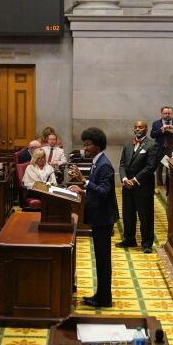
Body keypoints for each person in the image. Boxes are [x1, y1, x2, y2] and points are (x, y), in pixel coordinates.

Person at [67, 128, 118, 308]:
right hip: (100, 218)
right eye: (85, 144)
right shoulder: (97, 162)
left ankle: (104, 299)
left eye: (88, 144)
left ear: (97, 145)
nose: (85, 148)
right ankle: (102, 295)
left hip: (103, 219)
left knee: (103, 260)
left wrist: (85, 182)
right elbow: (97, 189)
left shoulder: (104, 164)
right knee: (101, 259)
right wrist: (84, 189)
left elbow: (104, 192)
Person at [117, 120, 158, 252]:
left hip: (143, 186)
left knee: (145, 215)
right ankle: (129, 239)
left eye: (140, 127)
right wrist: (124, 179)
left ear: (146, 129)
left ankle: (146, 244)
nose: (137, 129)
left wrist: (134, 180)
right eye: (136, 127)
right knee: (128, 214)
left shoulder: (152, 145)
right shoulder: (128, 144)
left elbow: (150, 167)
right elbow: (122, 164)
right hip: (127, 186)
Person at [151, 106, 173, 185]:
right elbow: (152, 135)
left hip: (171, 150)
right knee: (159, 168)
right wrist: (161, 130)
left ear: (172, 114)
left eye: (169, 113)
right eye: (165, 113)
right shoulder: (156, 123)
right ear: (162, 114)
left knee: (169, 169)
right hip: (160, 149)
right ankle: (159, 186)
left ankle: (168, 187)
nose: (167, 115)